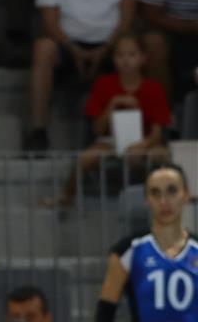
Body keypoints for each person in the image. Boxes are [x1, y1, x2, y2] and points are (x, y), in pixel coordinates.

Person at [26, 0, 140, 153]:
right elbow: (49, 17)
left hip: (112, 41)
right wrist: (73, 49)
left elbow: (127, 14)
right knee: (43, 48)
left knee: (138, 48)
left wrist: (106, 47)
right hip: (67, 42)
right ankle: (38, 130)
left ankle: (153, 127)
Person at [96, 163, 198, 322]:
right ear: (146, 199)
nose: (164, 201)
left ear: (186, 195)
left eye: (172, 191)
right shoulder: (128, 251)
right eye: (155, 193)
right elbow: (105, 314)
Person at [55, 31, 173, 206]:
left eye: (132, 55)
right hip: (110, 141)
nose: (126, 60)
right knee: (86, 157)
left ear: (143, 58)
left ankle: (169, 201)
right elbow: (97, 130)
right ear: (114, 59)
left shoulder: (154, 89)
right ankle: (66, 196)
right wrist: (112, 106)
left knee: (163, 155)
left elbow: (157, 133)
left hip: (145, 141)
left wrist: (142, 145)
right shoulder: (103, 85)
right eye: (120, 55)